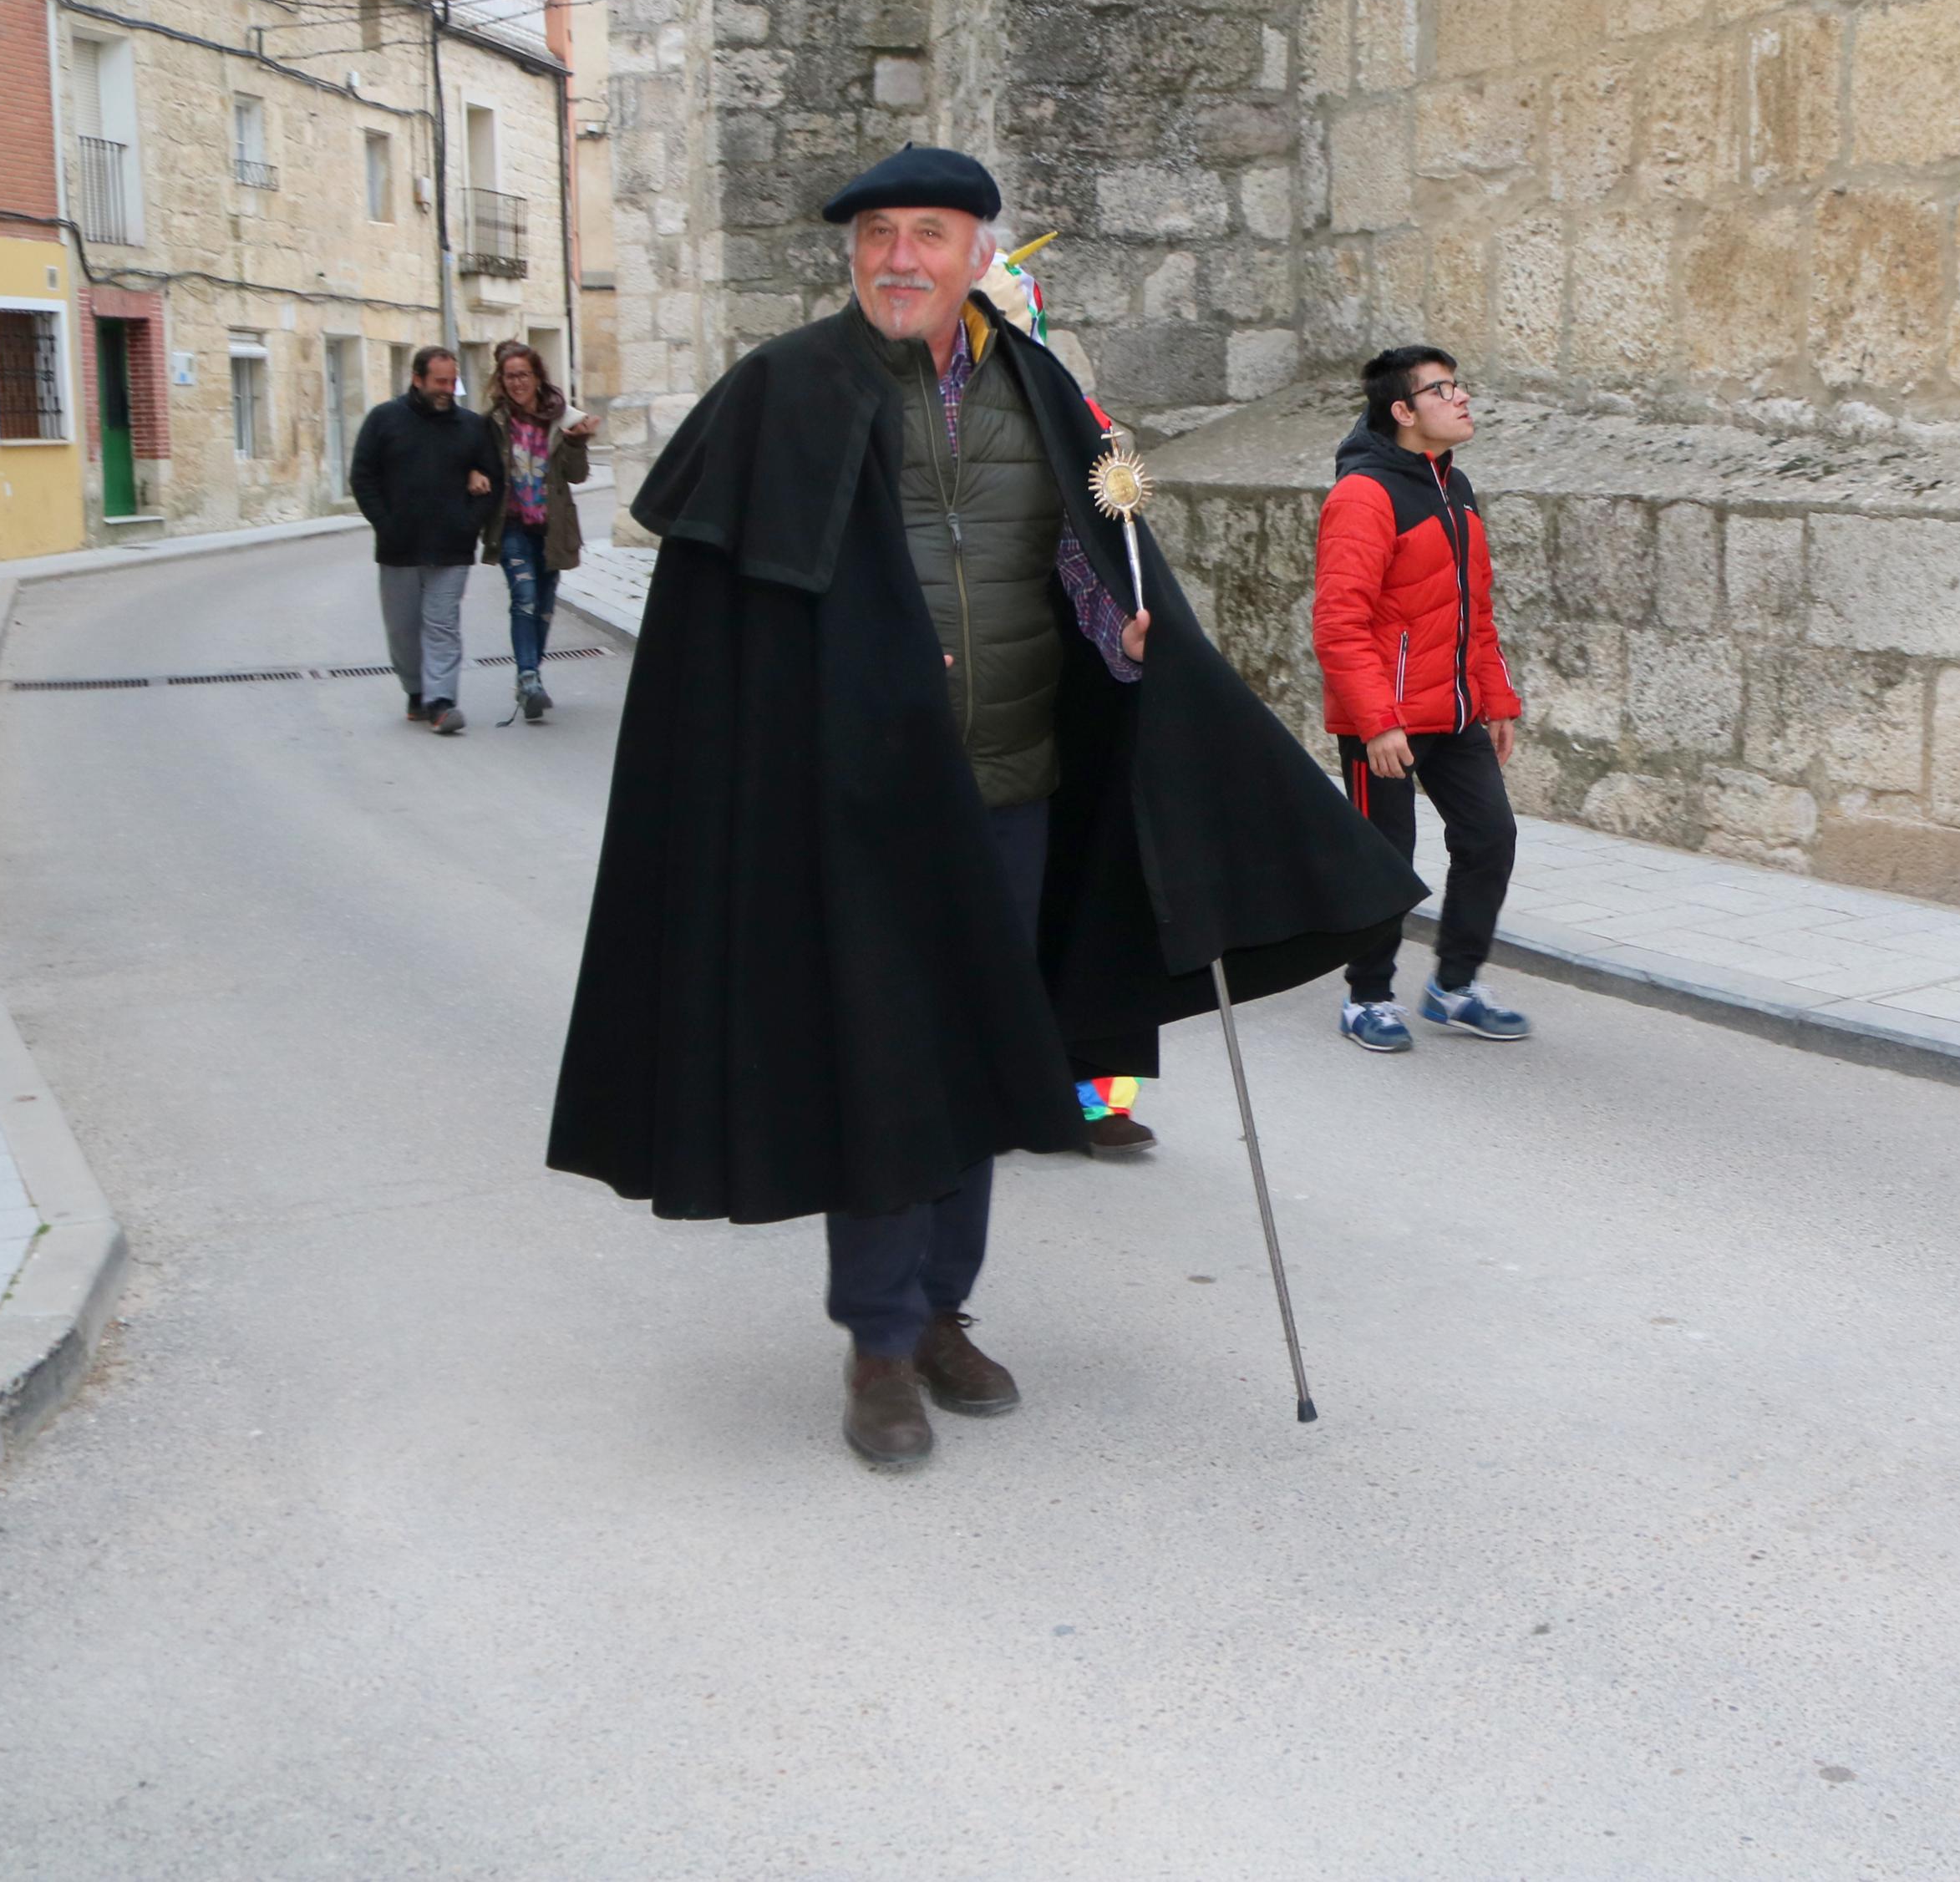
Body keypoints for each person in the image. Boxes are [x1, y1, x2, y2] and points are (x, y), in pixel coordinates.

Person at [549, 144, 1421, 1469]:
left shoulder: (1040, 387)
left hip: (1016, 790)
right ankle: (881, 1341)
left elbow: (1080, 549)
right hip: (853, 808)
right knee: (887, 1066)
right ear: (852, 255)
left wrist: (1121, 639)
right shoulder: (782, 391)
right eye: (877, 234)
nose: (900, 256)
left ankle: (942, 1305)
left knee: (979, 1063)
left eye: (929, 234)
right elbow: (727, 627)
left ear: (974, 253)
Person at [1314, 345, 1530, 1053]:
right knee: (1387, 858)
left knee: (1490, 839)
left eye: (1459, 384)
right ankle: (1367, 995)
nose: (1461, 398)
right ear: (1402, 411)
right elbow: (1339, 623)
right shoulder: (1363, 495)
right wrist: (1376, 723)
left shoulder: (1455, 485)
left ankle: (1453, 985)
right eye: (1442, 389)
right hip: (1386, 722)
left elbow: (1475, 609)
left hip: (1457, 709)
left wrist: (1495, 699)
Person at [348, 345, 505, 736]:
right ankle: (415, 690)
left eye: (452, 381)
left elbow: (494, 479)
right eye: (439, 381)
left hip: (452, 547)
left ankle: (441, 702)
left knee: (442, 625)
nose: (447, 389)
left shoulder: (471, 426)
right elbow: (362, 476)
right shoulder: (384, 420)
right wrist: (386, 524)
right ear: (417, 379)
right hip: (399, 547)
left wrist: (469, 524)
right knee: (402, 628)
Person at [480, 342, 598, 723]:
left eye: (523, 375)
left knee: (545, 610)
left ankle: (531, 678)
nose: (517, 383)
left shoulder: (561, 419)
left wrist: (578, 441)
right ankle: (528, 678)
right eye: (510, 376)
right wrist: (472, 473)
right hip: (511, 525)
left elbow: (577, 475)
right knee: (525, 597)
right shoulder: (494, 423)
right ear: (501, 380)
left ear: (537, 378)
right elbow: (478, 462)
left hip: (552, 528)